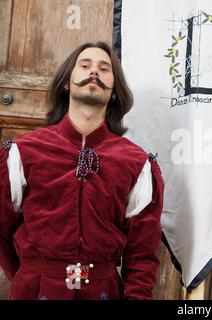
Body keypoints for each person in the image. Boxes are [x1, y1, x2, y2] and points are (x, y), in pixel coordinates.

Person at [0, 42, 164, 300]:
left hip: (104, 292)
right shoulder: (24, 152)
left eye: (104, 68)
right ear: (67, 83)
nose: (94, 72)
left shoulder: (136, 162)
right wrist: (32, 275)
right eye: (85, 65)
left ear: (113, 92)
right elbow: (2, 229)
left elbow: (142, 253)